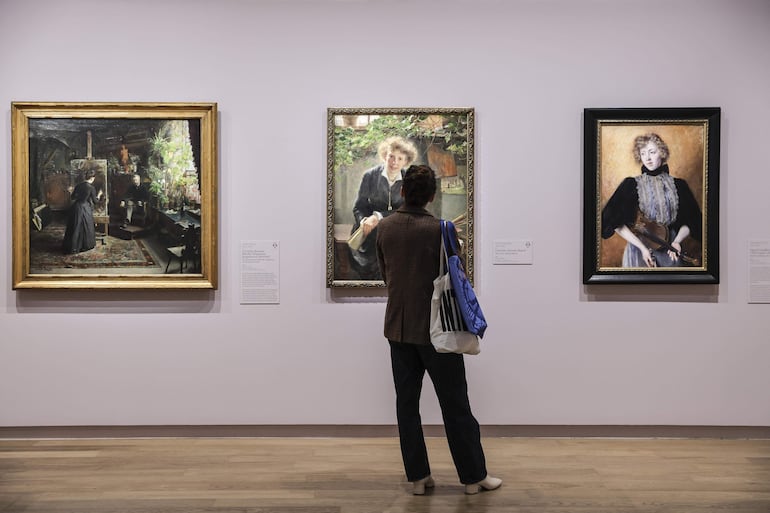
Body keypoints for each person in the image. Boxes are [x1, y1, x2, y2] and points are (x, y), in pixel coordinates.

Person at [376, 165, 502, 496]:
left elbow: (386, 276)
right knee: (456, 404)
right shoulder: (439, 230)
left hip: (398, 329)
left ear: (402, 191)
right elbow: (456, 277)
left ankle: (418, 478)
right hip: (437, 330)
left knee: (406, 405)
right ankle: (473, 478)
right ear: (432, 195)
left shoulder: (385, 228)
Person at [601, 132, 702, 267]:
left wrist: (677, 241)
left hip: (670, 250)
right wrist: (642, 248)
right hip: (639, 251)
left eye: (652, 152)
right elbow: (614, 223)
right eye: (643, 154)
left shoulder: (679, 185)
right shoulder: (630, 185)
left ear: (662, 152)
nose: (647, 158)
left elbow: (692, 221)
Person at [349, 136, 418, 279]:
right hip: (370, 232)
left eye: (400, 159)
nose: (394, 162)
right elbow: (359, 207)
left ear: (406, 161)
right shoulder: (369, 176)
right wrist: (363, 221)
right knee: (369, 266)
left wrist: (379, 216)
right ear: (384, 156)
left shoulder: (410, 180)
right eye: (391, 156)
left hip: (397, 228)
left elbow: (409, 209)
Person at [62, 169, 103, 254]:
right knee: (86, 226)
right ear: (92, 178)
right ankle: (84, 245)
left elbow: (73, 197)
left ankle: (72, 246)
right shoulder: (91, 188)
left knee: (75, 226)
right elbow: (95, 201)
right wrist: (99, 195)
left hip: (76, 207)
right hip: (84, 208)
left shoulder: (78, 185)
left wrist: (71, 191)